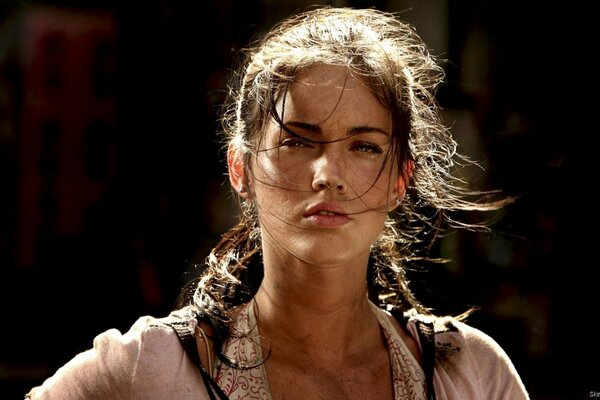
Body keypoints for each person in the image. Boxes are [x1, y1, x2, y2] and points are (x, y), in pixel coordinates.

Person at [26, 6, 529, 400]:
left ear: (400, 179)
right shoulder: (155, 366)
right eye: (298, 141)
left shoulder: (468, 373)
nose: (328, 175)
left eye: (364, 146)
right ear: (240, 169)